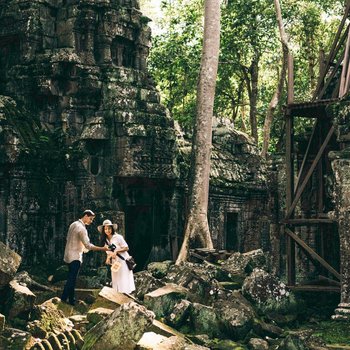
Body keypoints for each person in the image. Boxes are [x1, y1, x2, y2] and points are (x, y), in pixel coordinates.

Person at [61, 209, 109, 305]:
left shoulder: (73, 224)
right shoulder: (82, 229)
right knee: (72, 279)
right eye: (90, 219)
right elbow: (88, 245)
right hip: (75, 257)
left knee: (71, 278)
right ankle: (64, 299)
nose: (91, 221)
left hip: (68, 255)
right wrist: (103, 248)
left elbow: (70, 239)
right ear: (86, 216)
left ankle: (71, 300)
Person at [98, 219, 135, 294]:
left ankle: (125, 296)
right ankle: (117, 296)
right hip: (114, 262)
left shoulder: (118, 237)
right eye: (105, 229)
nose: (107, 230)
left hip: (123, 260)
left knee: (123, 278)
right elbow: (108, 251)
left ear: (112, 229)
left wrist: (116, 251)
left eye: (109, 228)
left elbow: (126, 247)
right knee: (115, 278)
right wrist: (108, 258)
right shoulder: (105, 240)